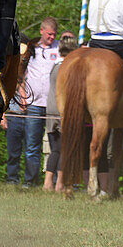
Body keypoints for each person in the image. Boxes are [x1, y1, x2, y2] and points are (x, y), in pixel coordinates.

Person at [6, 18, 59, 187]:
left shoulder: (59, 49)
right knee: (32, 145)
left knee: (55, 145)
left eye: (54, 35)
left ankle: (56, 180)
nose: (51, 37)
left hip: (53, 104)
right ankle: (30, 181)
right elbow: (19, 72)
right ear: (42, 31)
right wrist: (21, 93)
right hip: (34, 104)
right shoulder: (31, 48)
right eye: (49, 34)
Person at [44, 30, 77, 192]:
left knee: (55, 149)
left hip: (50, 109)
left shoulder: (55, 65)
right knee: (65, 149)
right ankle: (59, 184)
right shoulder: (69, 67)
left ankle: (47, 182)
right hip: (63, 110)